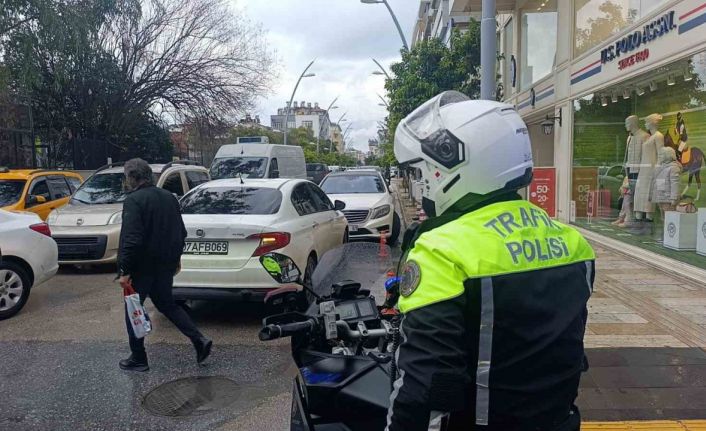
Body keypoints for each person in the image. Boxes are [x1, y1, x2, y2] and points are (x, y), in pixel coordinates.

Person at [387, 92, 595, 431]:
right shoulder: (573, 244)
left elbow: (427, 387)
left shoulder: (442, 250)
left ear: (454, 168)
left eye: (424, 172)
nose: (423, 184)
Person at [118, 158, 212, 372]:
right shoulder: (168, 197)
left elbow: (132, 239)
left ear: (132, 177)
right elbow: (181, 232)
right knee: (167, 304)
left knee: (133, 308)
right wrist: (176, 258)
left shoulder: (134, 201)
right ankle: (199, 339)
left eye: (126, 177)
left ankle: (138, 357)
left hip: (141, 267)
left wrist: (125, 270)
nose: (126, 182)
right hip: (164, 265)